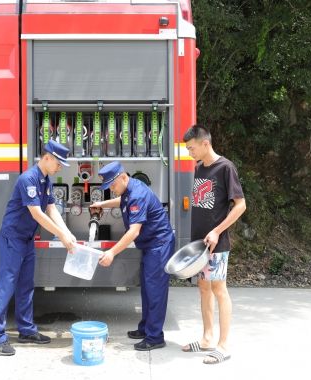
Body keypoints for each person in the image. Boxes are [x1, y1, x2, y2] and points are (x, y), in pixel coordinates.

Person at [0, 140, 77, 356]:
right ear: (47, 158)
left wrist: (68, 232)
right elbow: (37, 214)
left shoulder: (46, 181)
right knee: (7, 285)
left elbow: (51, 209)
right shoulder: (28, 179)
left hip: (27, 239)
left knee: (26, 285)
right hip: (13, 238)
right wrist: (61, 235)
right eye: (58, 163)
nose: (60, 168)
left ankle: (26, 330)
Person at [90, 161, 175, 351]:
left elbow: (134, 232)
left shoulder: (137, 194)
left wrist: (112, 252)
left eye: (112, 185)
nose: (111, 189)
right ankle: (146, 329)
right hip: (150, 245)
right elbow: (122, 201)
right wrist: (102, 204)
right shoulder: (129, 188)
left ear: (122, 177)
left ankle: (155, 337)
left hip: (159, 245)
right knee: (147, 290)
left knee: (155, 292)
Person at [181, 125, 246, 365]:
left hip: (217, 242)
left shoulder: (225, 168)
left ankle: (223, 345)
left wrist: (217, 231)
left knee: (219, 288)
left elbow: (240, 205)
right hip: (199, 244)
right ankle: (207, 339)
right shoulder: (199, 168)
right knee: (203, 288)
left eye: (191, 148)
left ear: (205, 143)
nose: (189, 153)